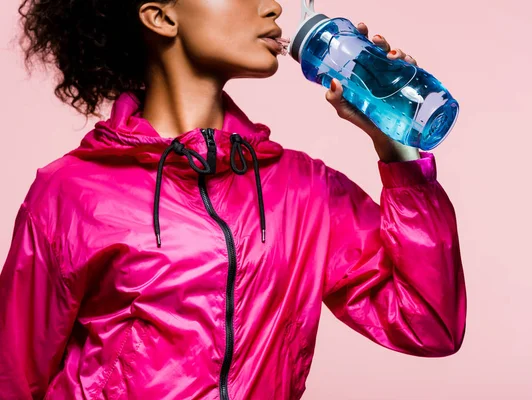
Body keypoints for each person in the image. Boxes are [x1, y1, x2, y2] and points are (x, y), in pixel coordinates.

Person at [0, 0, 467, 399]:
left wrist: (396, 146)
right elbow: (14, 378)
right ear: (161, 17)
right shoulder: (72, 192)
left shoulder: (303, 189)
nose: (273, 8)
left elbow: (427, 324)